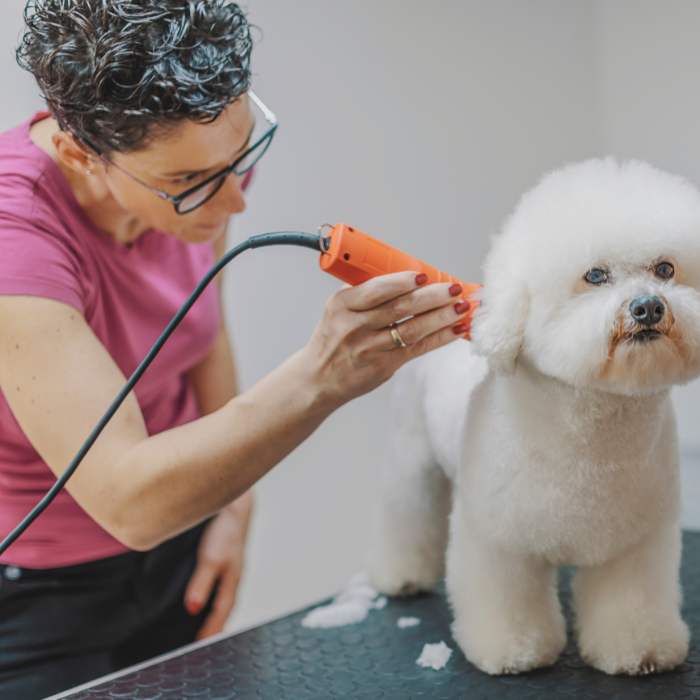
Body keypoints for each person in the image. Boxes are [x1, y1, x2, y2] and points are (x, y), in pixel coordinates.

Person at [0, 1, 473, 698]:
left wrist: (233, 507)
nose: (235, 205)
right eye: (191, 183)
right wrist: (323, 376)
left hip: (179, 552)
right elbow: (130, 501)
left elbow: (199, 330)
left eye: (241, 155)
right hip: (45, 594)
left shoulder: (201, 170)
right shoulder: (17, 240)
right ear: (79, 154)